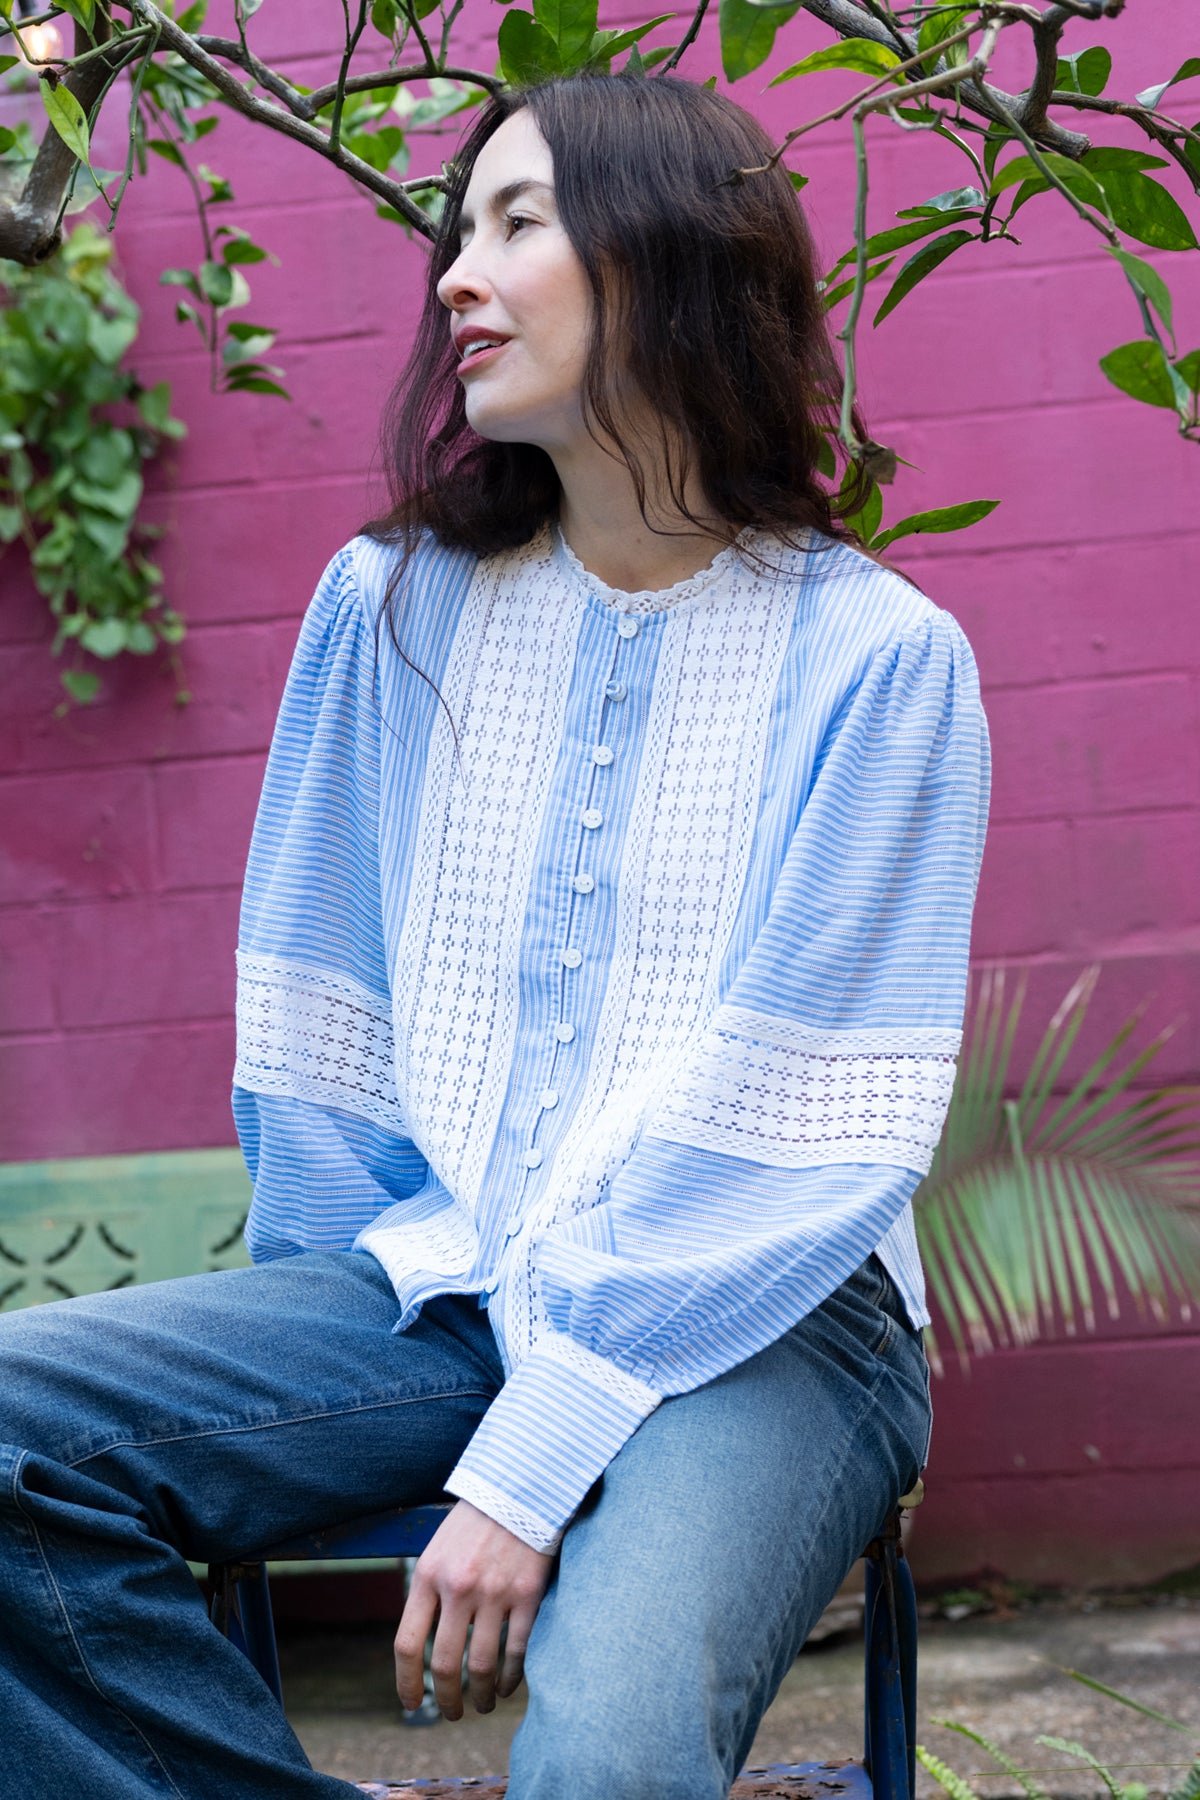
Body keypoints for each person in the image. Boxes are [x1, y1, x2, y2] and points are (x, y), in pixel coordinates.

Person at [0, 72, 989, 1800]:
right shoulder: (387, 611)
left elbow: (795, 1129)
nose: (457, 272)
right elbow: (321, 1022)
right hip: (447, 1283)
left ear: (667, 259)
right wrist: (324, 1372)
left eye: (517, 222)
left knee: (605, 1756)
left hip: (765, 1317)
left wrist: (531, 1459)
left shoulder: (882, 661)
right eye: (460, 228)